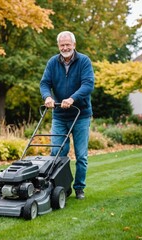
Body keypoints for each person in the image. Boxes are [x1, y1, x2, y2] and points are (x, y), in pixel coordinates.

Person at [40, 31, 94, 199]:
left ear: (74, 45)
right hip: (60, 116)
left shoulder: (84, 61)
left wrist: (72, 98)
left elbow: (88, 84)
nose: (65, 48)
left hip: (81, 115)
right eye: (62, 45)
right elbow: (44, 83)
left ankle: (79, 188)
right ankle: (59, 188)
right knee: (57, 153)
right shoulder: (52, 62)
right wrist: (47, 97)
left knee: (81, 156)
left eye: (67, 45)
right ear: (58, 46)